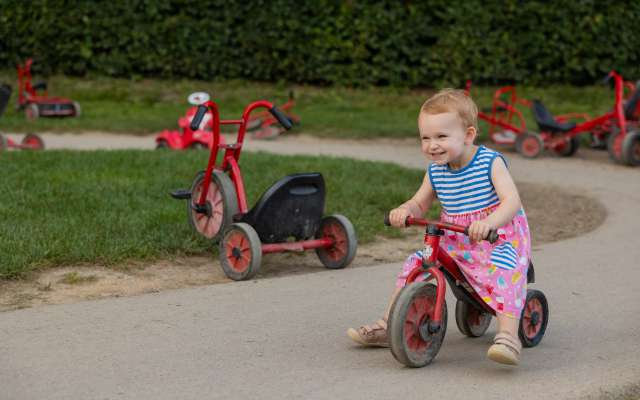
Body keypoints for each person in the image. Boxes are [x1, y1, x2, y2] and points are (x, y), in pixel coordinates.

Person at [347, 89, 531, 366]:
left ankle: (508, 337)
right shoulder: (435, 171)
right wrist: (405, 210)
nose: (432, 145)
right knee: (415, 265)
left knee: (504, 269)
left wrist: (488, 223)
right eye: (425, 137)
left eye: (442, 137)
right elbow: (420, 203)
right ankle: (390, 322)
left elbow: (512, 201)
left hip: (496, 236)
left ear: (468, 135)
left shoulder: (489, 163)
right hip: (455, 238)